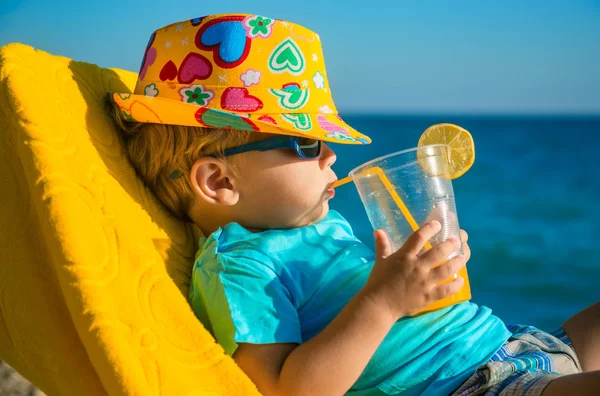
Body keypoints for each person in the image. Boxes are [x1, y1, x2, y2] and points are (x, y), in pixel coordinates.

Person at [107, 13, 600, 395]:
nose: (330, 155)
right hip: (463, 385)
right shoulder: (240, 267)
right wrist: (384, 301)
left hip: (510, 344)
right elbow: (283, 388)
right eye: (305, 143)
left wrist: (420, 274)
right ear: (218, 181)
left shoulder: (313, 223)